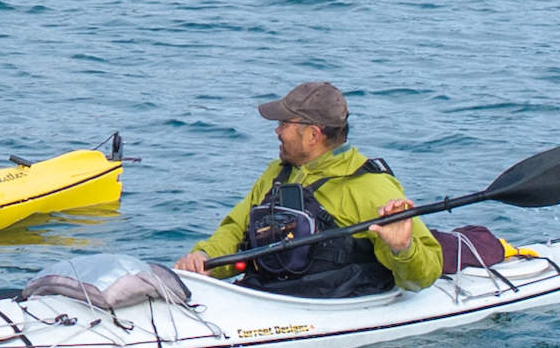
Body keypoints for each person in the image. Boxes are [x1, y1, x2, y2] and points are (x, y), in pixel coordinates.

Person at [173, 81, 443, 298]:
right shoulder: (277, 173)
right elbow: (237, 230)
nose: (277, 131)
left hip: (329, 310)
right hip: (264, 296)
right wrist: (205, 258)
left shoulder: (372, 187)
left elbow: (424, 275)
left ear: (313, 135)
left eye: (284, 124)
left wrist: (402, 248)